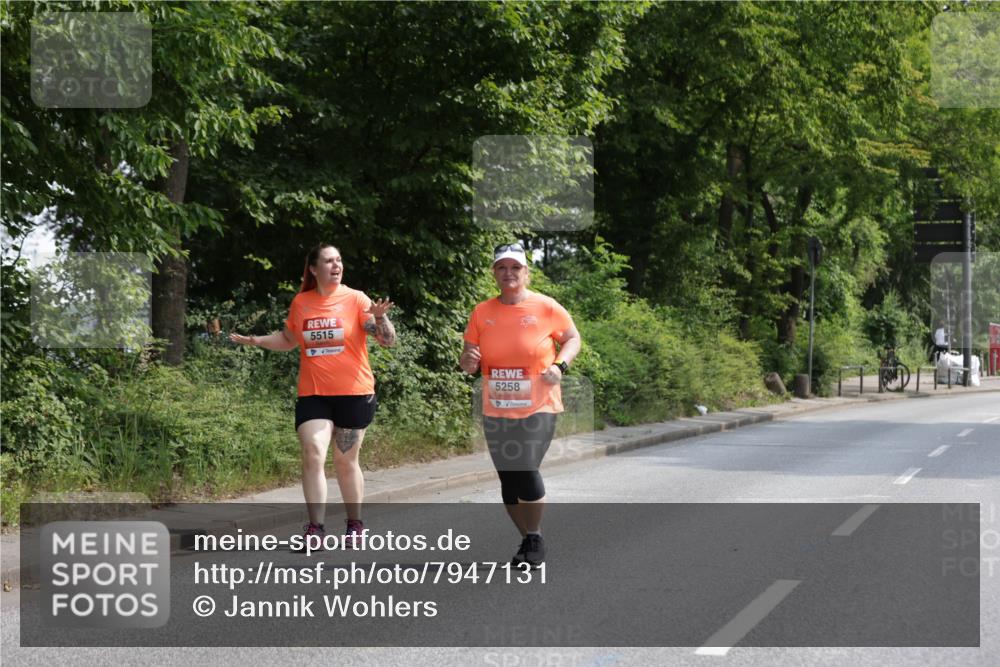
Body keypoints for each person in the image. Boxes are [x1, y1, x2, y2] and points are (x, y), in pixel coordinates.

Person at [230, 243, 395, 551]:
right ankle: (316, 529)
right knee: (313, 452)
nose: (336, 265)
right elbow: (289, 339)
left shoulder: (356, 299)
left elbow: (386, 340)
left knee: (345, 462)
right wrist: (256, 340)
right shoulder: (302, 302)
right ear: (314, 269)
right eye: (329, 261)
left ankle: (354, 524)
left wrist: (381, 319)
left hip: (354, 393)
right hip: (314, 395)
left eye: (339, 260)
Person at [460, 242, 581, 567]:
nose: (509, 273)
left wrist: (559, 366)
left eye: (515, 267)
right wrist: (468, 360)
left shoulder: (546, 307)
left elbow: (572, 338)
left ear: (526, 272)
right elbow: (469, 361)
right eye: (502, 267)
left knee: (525, 467)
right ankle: (529, 537)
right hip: (497, 407)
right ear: (494, 273)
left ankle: (535, 533)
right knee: (508, 481)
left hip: (539, 405)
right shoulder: (481, 312)